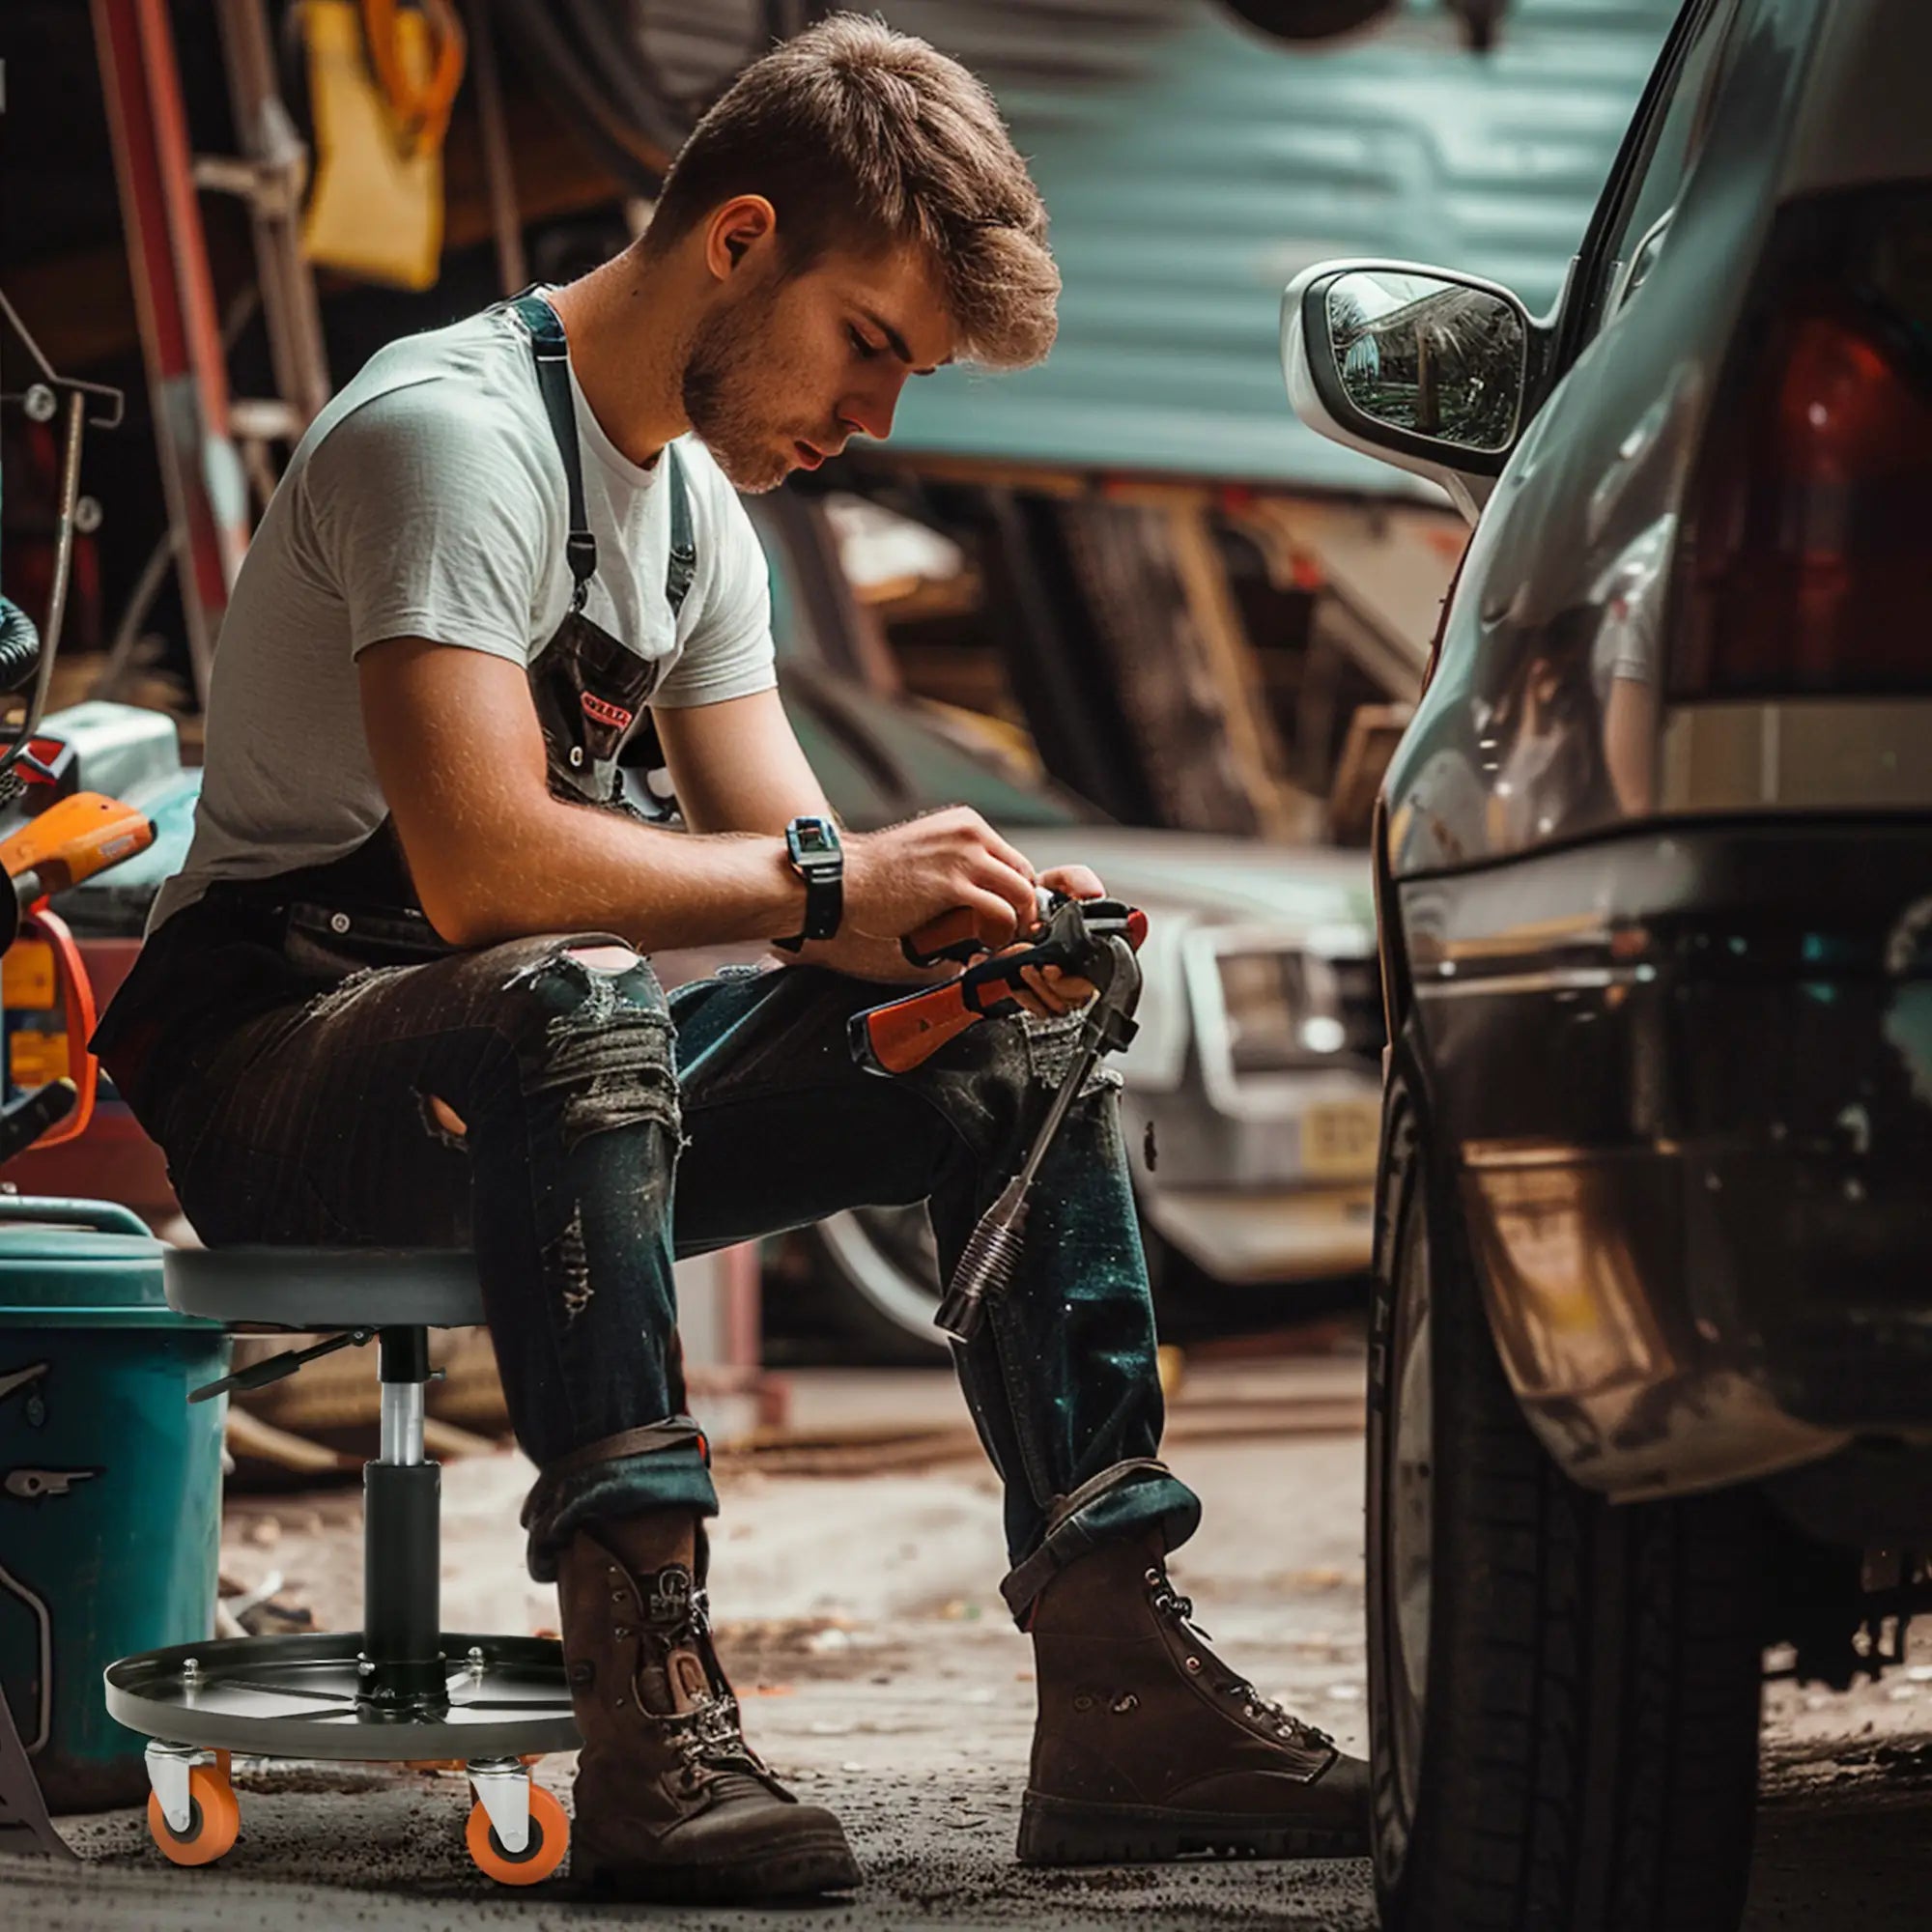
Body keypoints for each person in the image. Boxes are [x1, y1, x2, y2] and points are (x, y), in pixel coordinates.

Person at [93, 15, 1366, 1902]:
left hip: (537, 1061)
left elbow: (800, 875)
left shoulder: (692, 516)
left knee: (1005, 1035)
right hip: (281, 1060)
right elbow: (482, 868)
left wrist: (965, 935)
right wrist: (825, 886)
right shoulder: (447, 437)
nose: (876, 421)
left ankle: (1122, 1679)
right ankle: (650, 1706)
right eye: (870, 344)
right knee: (567, 988)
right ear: (742, 237)